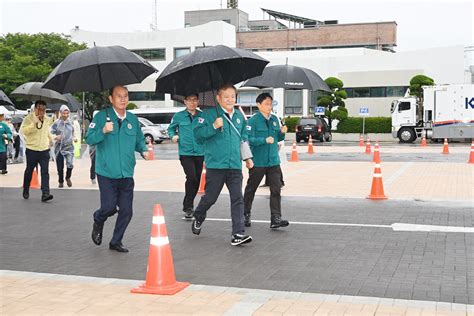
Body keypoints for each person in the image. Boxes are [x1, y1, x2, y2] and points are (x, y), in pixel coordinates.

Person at [86, 85, 149, 253]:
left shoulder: (133, 120)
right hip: (106, 172)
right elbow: (90, 138)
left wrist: (143, 150)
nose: (123, 99)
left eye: (125, 96)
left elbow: (139, 140)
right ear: (111, 99)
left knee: (127, 211)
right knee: (108, 207)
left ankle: (116, 241)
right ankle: (98, 219)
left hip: (126, 173)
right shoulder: (101, 117)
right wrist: (103, 131)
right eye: (119, 96)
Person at [192, 84, 254, 246]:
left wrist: (247, 158)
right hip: (216, 166)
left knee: (237, 199)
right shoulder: (208, 115)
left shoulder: (240, 117)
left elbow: (243, 137)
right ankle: (199, 215)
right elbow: (198, 136)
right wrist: (213, 126)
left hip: (234, 166)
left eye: (232, 96)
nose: (230, 99)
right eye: (226, 96)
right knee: (210, 198)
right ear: (218, 98)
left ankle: (238, 234)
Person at [243, 93, 289, 229]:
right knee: (251, 189)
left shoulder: (274, 119)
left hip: (273, 161)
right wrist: (263, 140)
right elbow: (247, 139)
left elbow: (278, 138)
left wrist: (282, 132)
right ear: (259, 105)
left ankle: (276, 218)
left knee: (276, 190)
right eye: (266, 104)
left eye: (271, 104)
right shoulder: (252, 121)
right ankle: (245, 214)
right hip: (258, 161)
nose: (269, 106)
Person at [168, 93, 205, 220]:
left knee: (197, 179)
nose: (192, 103)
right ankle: (188, 206)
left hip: (200, 152)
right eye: (189, 100)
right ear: (185, 102)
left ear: (198, 101)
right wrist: (173, 136)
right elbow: (171, 129)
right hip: (185, 153)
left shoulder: (202, 115)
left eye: (194, 100)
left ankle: (188, 203)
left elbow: (207, 131)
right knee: (191, 177)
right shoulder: (179, 116)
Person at [19, 100, 54, 201]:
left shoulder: (47, 119)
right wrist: (33, 124)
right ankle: (26, 189)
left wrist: (51, 139)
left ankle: (45, 194)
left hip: (44, 149)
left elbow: (46, 131)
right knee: (29, 171)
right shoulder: (28, 119)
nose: (42, 112)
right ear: (35, 109)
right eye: (40, 109)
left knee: (45, 172)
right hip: (32, 149)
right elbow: (24, 131)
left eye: (44, 110)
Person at [51, 105, 76, 188]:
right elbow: (50, 132)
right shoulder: (56, 123)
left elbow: (73, 132)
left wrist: (74, 137)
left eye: (67, 113)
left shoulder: (71, 122)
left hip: (69, 146)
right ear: (60, 113)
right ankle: (60, 181)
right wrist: (55, 137)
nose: (65, 115)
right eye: (64, 113)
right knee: (60, 166)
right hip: (59, 147)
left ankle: (68, 177)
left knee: (70, 163)